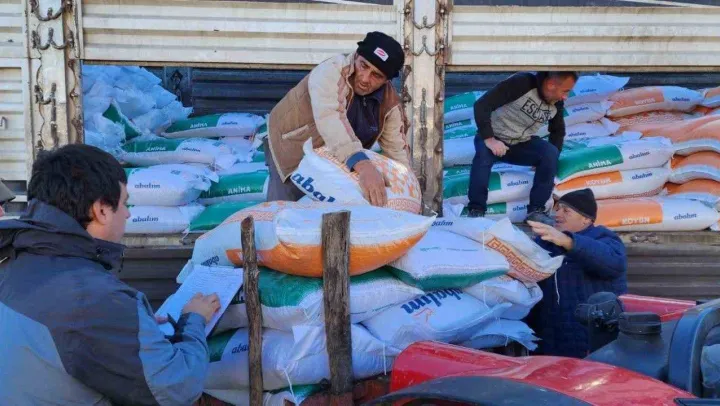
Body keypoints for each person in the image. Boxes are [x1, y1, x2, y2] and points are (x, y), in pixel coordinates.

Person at [0, 144, 220, 405]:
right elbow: (178, 388)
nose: (128, 213)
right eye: (124, 203)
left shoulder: (12, 265)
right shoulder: (95, 299)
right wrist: (193, 320)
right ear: (101, 210)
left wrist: (130, 326)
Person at [264, 31, 410, 206]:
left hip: (338, 154)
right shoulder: (331, 71)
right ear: (356, 56)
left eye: (376, 75)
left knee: (334, 211)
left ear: (386, 81)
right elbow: (330, 119)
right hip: (292, 145)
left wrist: (408, 190)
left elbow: (397, 152)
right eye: (363, 66)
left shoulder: (390, 104)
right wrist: (363, 165)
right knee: (285, 209)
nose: (365, 78)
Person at [526, 188, 628, 358]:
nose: (558, 214)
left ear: (586, 219)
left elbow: (613, 263)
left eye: (566, 211)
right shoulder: (545, 242)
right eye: (557, 209)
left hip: (592, 338)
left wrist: (568, 242)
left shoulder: (604, 238)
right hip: (550, 338)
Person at [467, 71, 578, 225]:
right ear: (551, 85)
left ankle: (536, 211)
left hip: (520, 143)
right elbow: (482, 105)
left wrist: (547, 164)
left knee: (550, 153)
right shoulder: (522, 84)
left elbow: (557, 131)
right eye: (565, 91)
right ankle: (476, 211)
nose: (566, 96)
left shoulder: (556, 102)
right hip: (494, 139)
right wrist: (489, 139)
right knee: (482, 159)